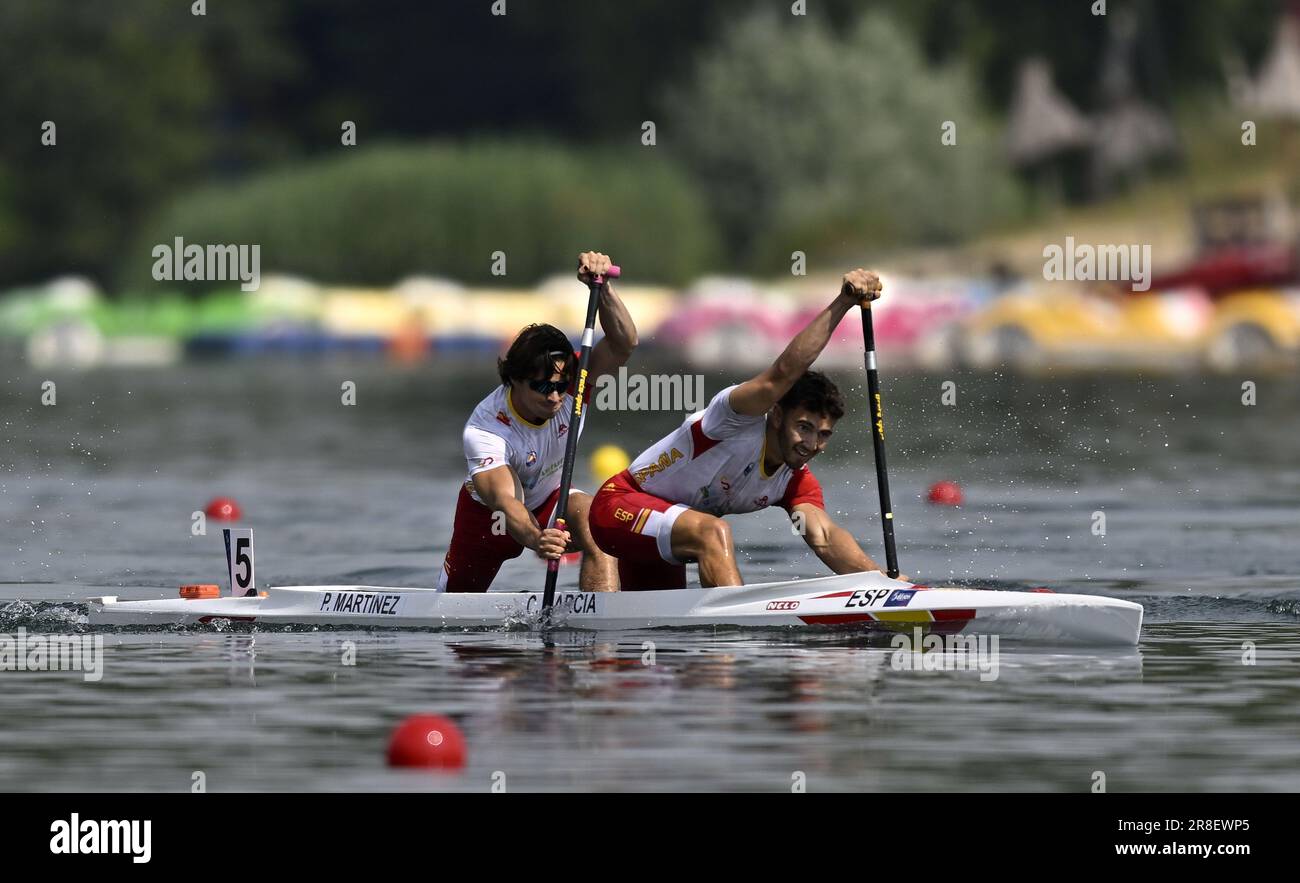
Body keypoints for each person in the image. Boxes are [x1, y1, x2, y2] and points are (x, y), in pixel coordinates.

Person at [589, 269, 888, 590]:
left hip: (663, 535)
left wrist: (883, 585)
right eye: (804, 427)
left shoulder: (795, 481)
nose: (812, 444)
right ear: (776, 414)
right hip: (617, 509)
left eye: (823, 434)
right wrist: (844, 302)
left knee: (654, 634)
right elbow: (784, 372)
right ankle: (733, 629)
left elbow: (825, 538)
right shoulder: (734, 418)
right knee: (713, 532)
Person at [436, 252, 636, 592]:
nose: (555, 397)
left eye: (559, 387)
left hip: (551, 500)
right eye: (542, 387)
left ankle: (602, 632)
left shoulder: (574, 378)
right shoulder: (486, 429)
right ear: (513, 379)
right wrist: (538, 539)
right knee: (457, 611)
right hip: (490, 522)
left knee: (595, 520)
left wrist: (602, 290)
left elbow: (624, 342)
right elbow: (507, 502)